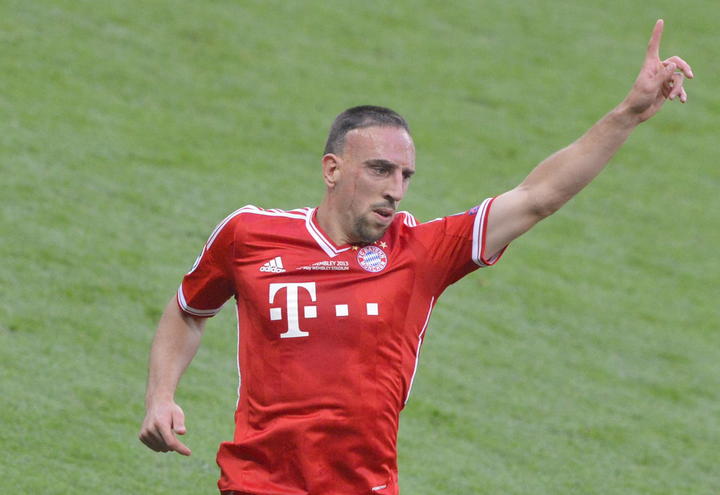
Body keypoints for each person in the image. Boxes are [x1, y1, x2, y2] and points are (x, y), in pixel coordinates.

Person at [139, 20, 692, 494]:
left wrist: (627, 113)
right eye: (380, 169)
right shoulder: (249, 235)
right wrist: (161, 396)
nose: (396, 190)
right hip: (257, 485)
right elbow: (189, 310)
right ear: (333, 169)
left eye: (405, 176)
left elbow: (536, 197)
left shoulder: (422, 251)